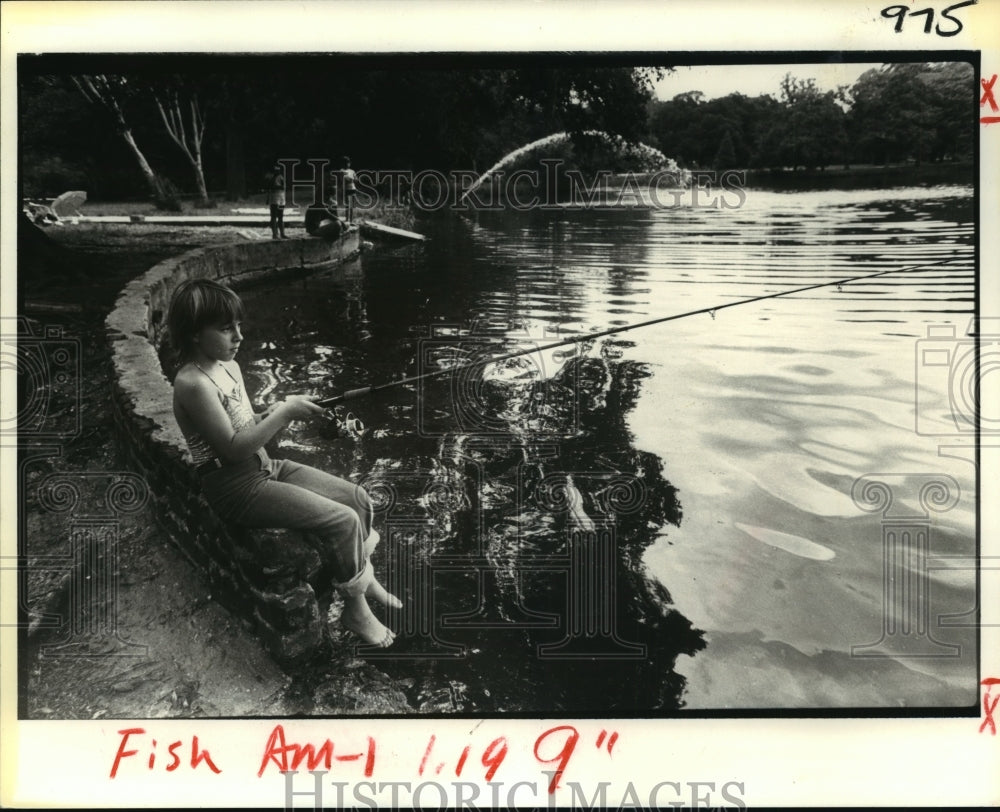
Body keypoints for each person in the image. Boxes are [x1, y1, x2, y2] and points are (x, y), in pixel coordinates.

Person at [167, 278, 398, 647]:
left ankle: (362, 575)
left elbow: (242, 425)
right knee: (343, 520)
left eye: (239, 326)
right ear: (194, 334)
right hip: (235, 487)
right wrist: (286, 413)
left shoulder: (228, 366)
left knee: (357, 498)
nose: (239, 336)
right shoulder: (192, 383)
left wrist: (270, 411)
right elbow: (231, 448)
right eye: (227, 329)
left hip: (264, 466)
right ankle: (356, 609)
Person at [267, 163, 287, 239]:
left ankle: (282, 233)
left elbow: (283, 187)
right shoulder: (272, 177)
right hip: (275, 198)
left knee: (280, 216)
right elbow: (271, 187)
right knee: (274, 216)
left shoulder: (281, 177)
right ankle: (275, 234)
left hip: (281, 198)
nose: (277, 171)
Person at [340, 156, 357, 223]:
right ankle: (347, 219)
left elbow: (356, 179)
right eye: (346, 163)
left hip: (353, 188)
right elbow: (344, 180)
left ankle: (351, 220)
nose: (348, 164)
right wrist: (351, 179)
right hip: (347, 189)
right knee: (347, 205)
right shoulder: (342, 170)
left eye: (349, 163)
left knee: (352, 206)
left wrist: (352, 179)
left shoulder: (352, 171)